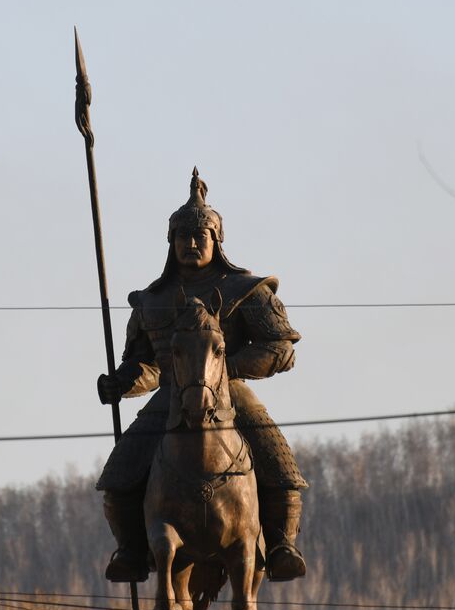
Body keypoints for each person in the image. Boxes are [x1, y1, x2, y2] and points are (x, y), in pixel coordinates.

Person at [96, 168, 308, 583]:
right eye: (182, 237)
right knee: (118, 478)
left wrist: (223, 368)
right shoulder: (151, 302)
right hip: (172, 397)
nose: (191, 244)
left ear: (216, 240)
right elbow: (147, 365)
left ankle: (282, 544)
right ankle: (132, 550)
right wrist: (120, 383)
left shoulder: (248, 290)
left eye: (200, 236)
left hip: (230, 393)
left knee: (282, 470)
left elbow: (281, 347)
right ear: (171, 243)